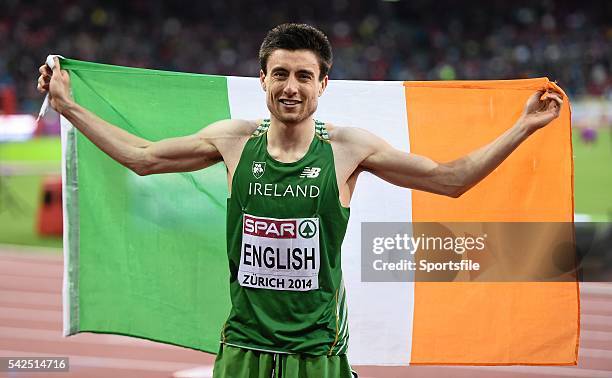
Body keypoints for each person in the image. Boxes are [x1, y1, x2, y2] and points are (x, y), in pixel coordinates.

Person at [37, 23, 563, 378]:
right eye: (281, 74)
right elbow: (143, 156)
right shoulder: (233, 141)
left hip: (318, 355)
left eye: (304, 76)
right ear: (262, 79)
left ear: (323, 84)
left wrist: (523, 127)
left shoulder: (348, 149)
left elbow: (450, 178)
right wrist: (66, 105)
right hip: (243, 348)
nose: (291, 87)